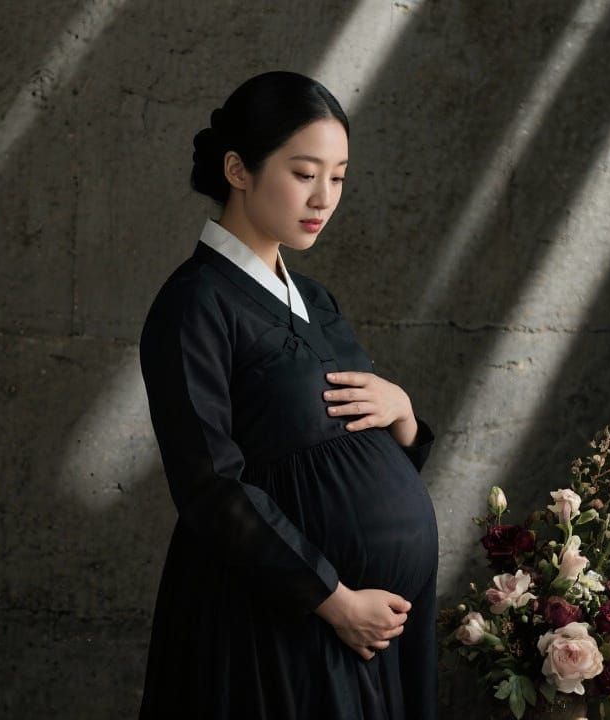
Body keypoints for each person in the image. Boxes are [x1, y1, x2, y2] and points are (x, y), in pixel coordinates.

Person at [137, 70, 439, 719]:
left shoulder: (315, 300)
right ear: (238, 169)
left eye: (339, 176)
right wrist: (333, 598)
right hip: (273, 621)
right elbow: (209, 486)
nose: (324, 197)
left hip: (361, 632)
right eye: (305, 173)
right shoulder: (195, 305)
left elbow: (354, 462)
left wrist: (404, 415)